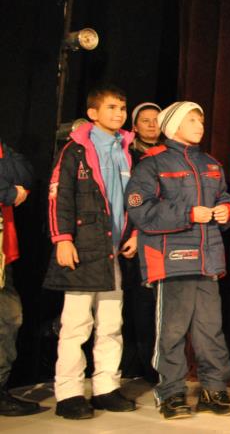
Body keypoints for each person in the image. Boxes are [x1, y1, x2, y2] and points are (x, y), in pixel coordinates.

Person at [125, 101, 230, 419]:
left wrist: (226, 211)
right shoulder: (152, 163)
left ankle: (213, 388)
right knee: (172, 330)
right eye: (191, 120)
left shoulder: (212, 164)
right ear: (172, 126)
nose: (199, 126)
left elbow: (225, 198)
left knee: (210, 329)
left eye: (201, 120)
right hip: (171, 260)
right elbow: (140, 209)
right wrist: (189, 214)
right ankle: (172, 393)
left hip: (207, 259)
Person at [45, 85, 138, 419]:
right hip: (83, 247)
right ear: (93, 113)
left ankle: (105, 387)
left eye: (122, 108)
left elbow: (135, 197)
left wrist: (135, 232)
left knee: (111, 322)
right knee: (76, 324)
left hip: (114, 249)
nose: (119, 113)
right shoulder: (75, 150)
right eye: (111, 107)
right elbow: (59, 195)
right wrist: (63, 238)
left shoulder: (127, 150)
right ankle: (69, 392)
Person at [120, 101, 162, 384]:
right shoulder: (125, 155)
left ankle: (150, 365)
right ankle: (129, 363)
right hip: (127, 235)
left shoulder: (167, 155)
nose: (151, 125)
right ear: (134, 126)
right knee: (129, 302)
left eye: (156, 120)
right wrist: (133, 233)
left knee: (149, 305)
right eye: (145, 120)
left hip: (155, 236)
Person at [0, 139, 39, 417]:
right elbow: (11, 188)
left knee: (8, 319)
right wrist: (8, 191)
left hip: (3, 253)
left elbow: (25, 174)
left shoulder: (4, 150)